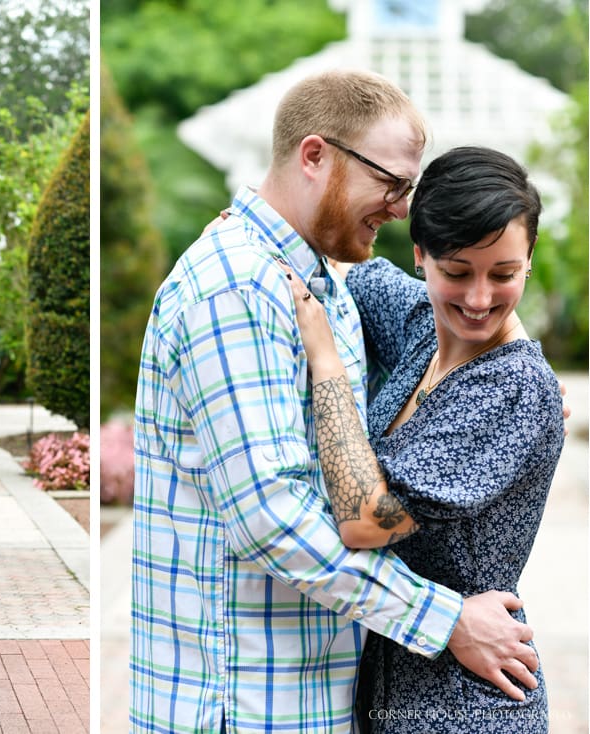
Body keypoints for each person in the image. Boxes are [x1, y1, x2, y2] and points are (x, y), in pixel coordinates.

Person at [130, 69, 539, 733]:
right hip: (245, 703)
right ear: (315, 156)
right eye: (391, 183)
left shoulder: (318, 280)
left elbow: (467, 305)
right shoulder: (238, 291)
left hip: (303, 693)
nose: (402, 206)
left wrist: (520, 378)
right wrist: (445, 620)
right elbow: (272, 518)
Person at [283, 146, 564, 732]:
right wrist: (244, 240)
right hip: (395, 680)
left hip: (468, 702)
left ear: (530, 259)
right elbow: (348, 270)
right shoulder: (423, 325)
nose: (479, 299)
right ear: (421, 256)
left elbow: (367, 519)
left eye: (505, 274)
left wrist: (326, 363)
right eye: (457, 272)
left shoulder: (513, 387)